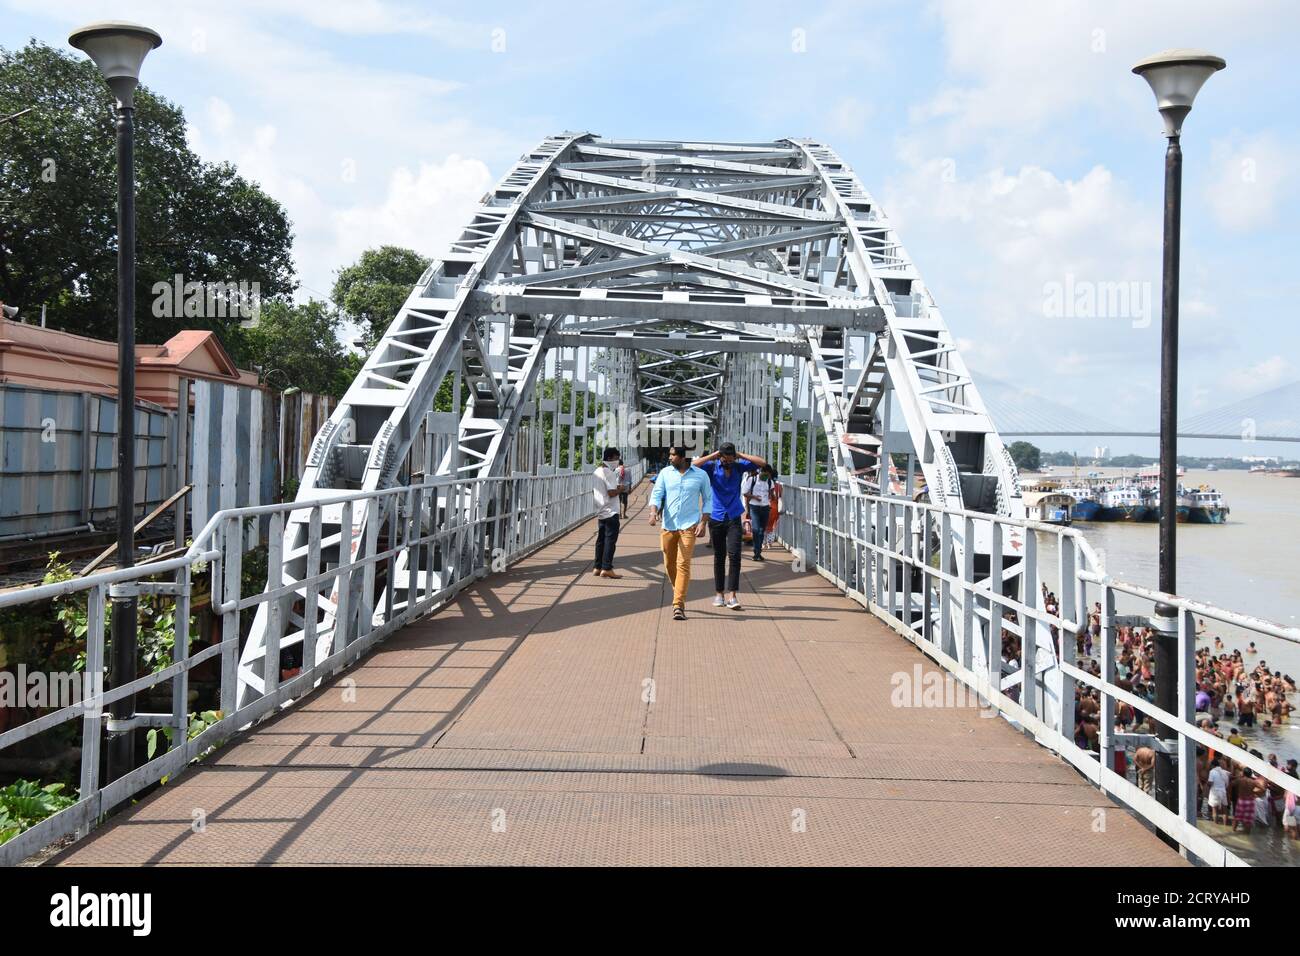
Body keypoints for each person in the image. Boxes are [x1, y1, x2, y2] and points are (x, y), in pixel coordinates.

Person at [694, 442, 766, 610]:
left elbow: (762, 463)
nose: (728, 462)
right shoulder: (712, 467)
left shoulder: (739, 467)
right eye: (725, 459)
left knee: (735, 556)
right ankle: (719, 594)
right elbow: (694, 465)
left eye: (731, 458)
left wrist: (740, 455)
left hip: (733, 516)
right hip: (716, 516)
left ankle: (732, 595)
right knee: (719, 557)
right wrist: (715, 454)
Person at [649, 446, 712, 622]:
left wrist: (703, 522)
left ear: (683, 457)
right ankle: (679, 589)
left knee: (683, 564)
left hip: (689, 526)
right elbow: (656, 494)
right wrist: (653, 512)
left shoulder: (701, 475)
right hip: (668, 526)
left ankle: (678, 604)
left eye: (673, 455)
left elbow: (708, 499)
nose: (669, 458)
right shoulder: (665, 473)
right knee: (669, 564)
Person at [591, 447, 624, 579]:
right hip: (611, 511)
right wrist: (620, 489)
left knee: (601, 541)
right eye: (616, 458)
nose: (617, 461)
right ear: (610, 458)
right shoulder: (608, 472)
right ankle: (607, 568)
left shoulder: (596, 471)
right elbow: (611, 493)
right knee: (610, 541)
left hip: (601, 510)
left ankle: (597, 567)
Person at [741, 464, 777, 561]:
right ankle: (756, 551)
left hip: (766, 507)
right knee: (756, 529)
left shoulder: (770, 482)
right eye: (766, 474)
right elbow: (744, 492)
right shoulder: (752, 479)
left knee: (762, 531)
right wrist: (754, 497)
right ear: (761, 471)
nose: (767, 477)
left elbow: (772, 493)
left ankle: (758, 552)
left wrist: (772, 496)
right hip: (754, 507)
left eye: (769, 475)